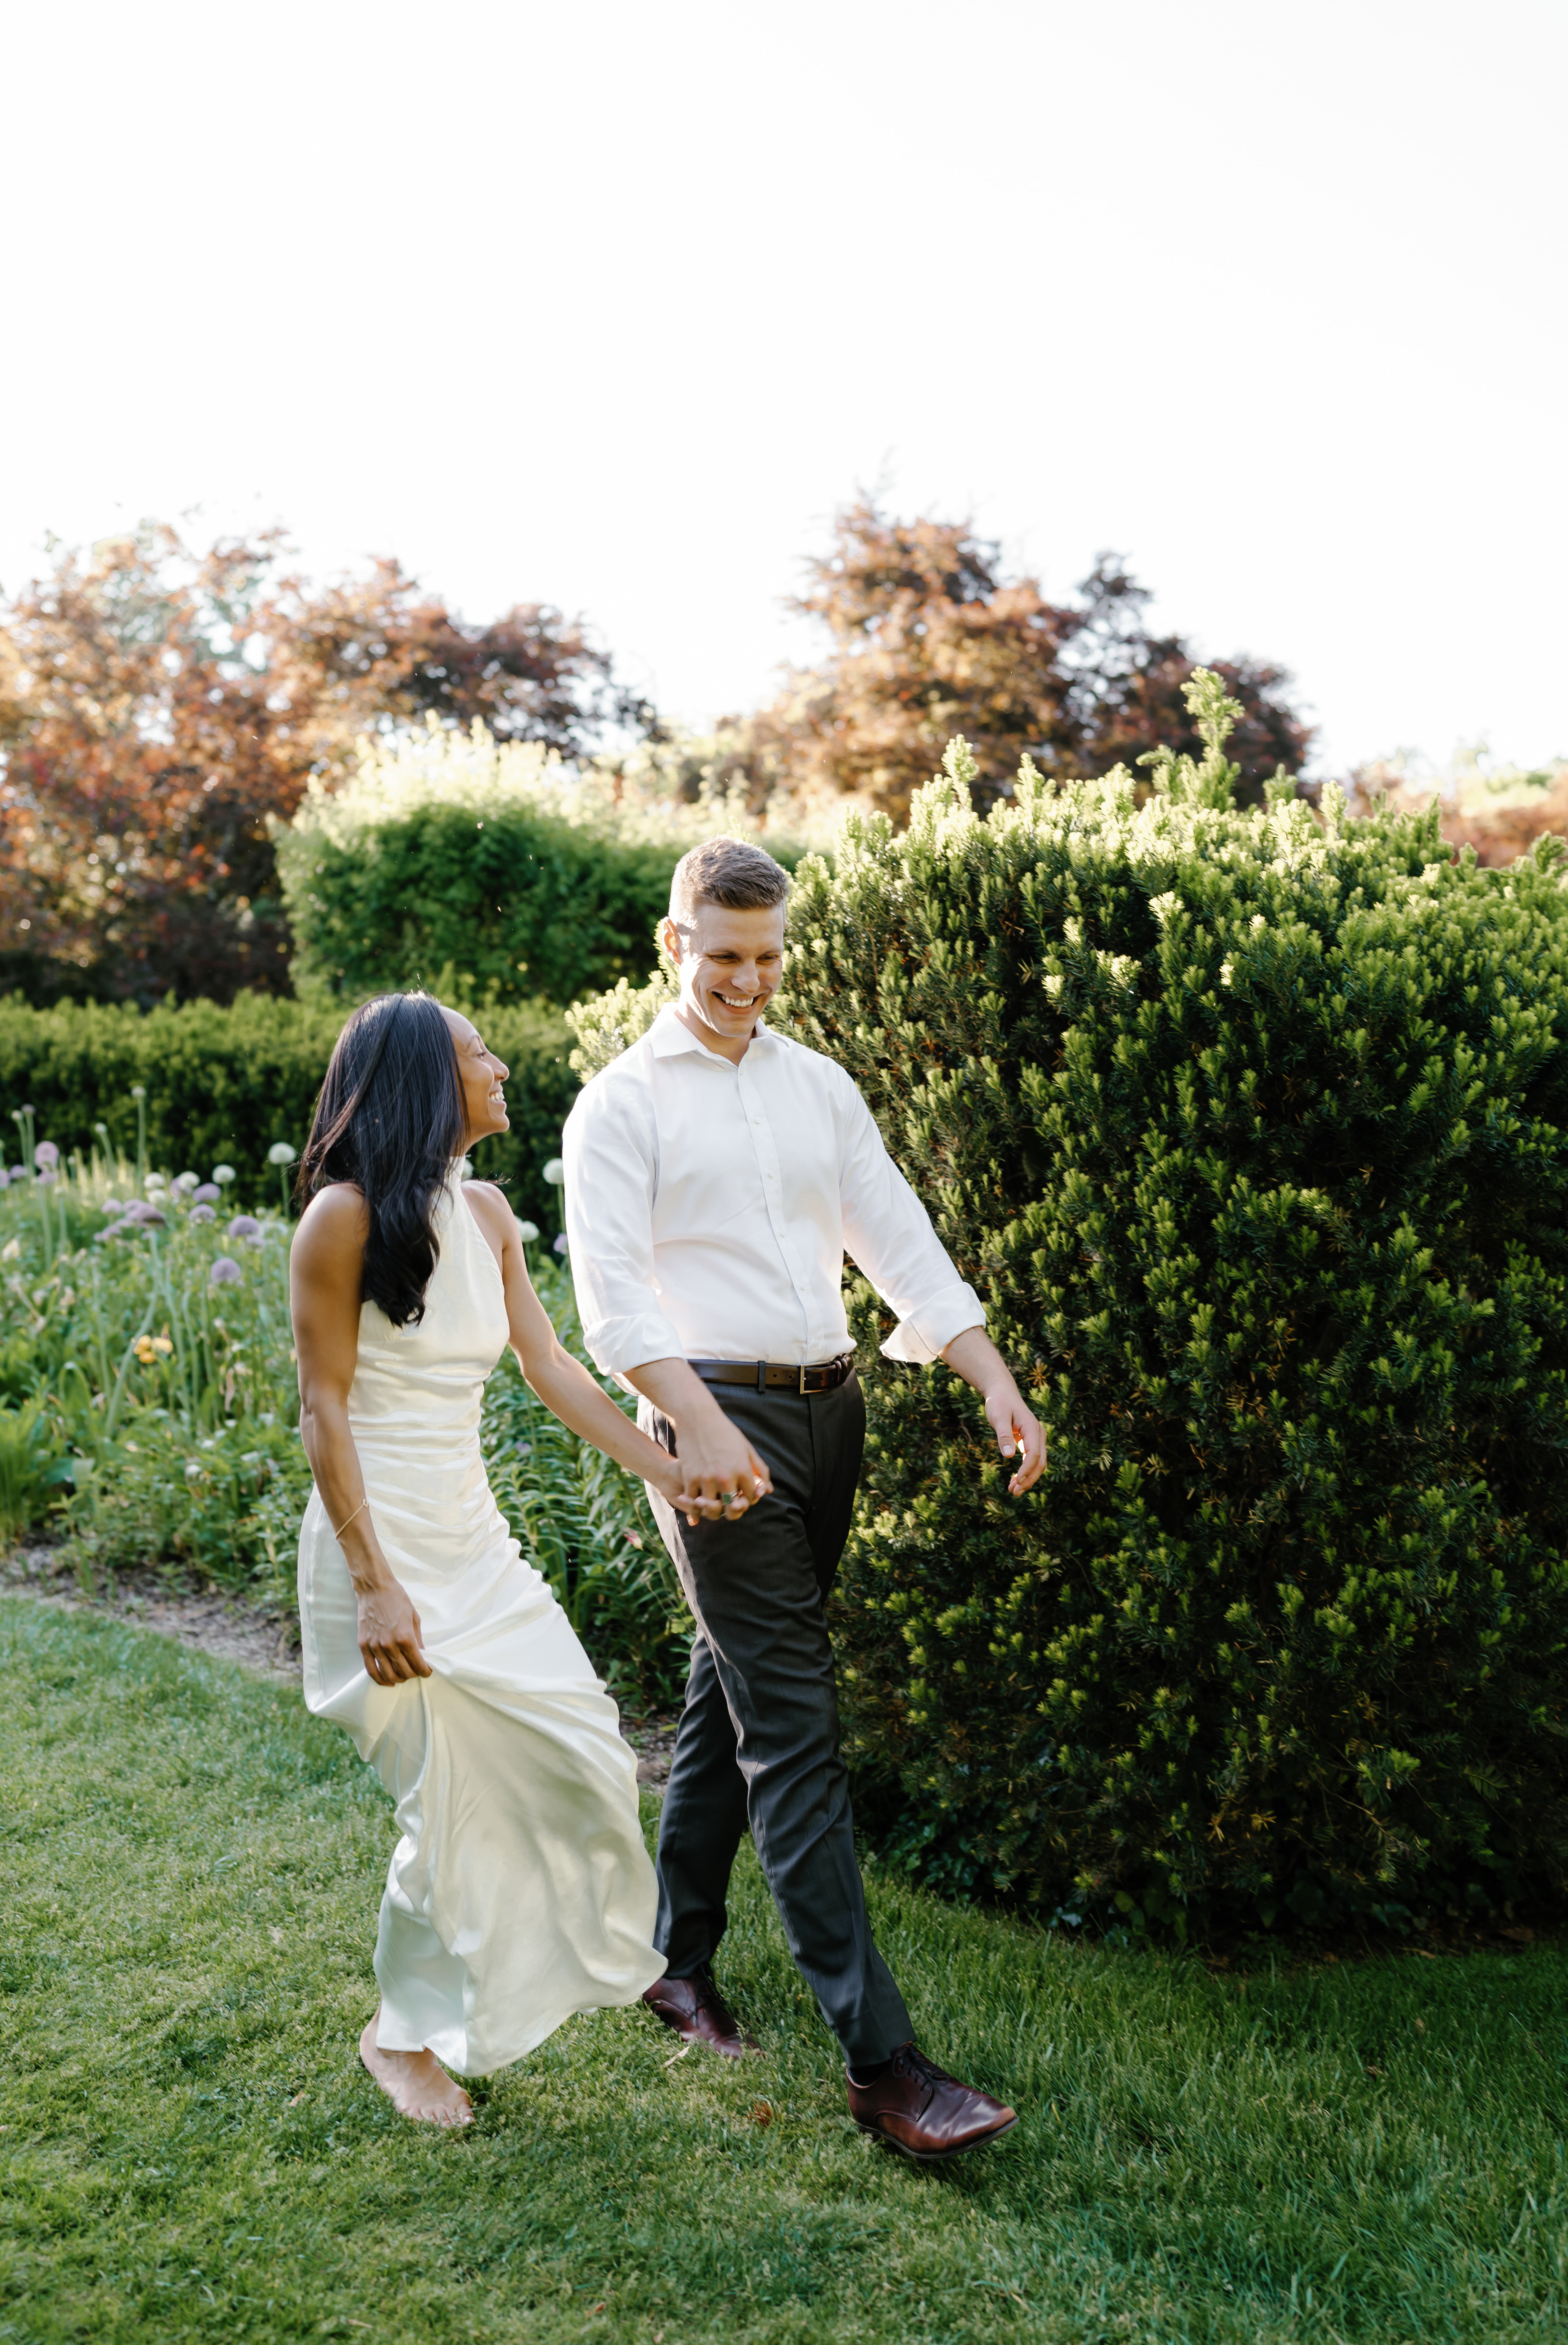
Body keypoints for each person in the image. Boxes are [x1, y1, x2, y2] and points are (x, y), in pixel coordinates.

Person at [562, 837, 1049, 2163]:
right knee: (794, 1726)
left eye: (769, 957)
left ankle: (677, 1959)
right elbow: (611, 1305)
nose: (748, 981)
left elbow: (896, 1234)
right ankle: (884, 2065)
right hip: (716, 1419)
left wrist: (991, 1377)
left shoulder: (817, 1084)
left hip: (833, 1414)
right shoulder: (619, 1107)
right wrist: (706, 1435)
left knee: (737, 1689)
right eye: (724, 957)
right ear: (675, 945)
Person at [291, 991, 696, 2127]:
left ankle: (465, 1992)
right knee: (452, 1800)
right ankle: (400, 2035)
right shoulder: (342, 1217)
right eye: (480, 1055)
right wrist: (375, 1583)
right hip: (384, 1551)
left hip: (478, 1548)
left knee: (589, 1753)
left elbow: (552, 1368)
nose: (502, 1065)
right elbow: (323, 1409)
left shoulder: (487, 1216)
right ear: (429, 1080)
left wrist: (667, 1472)